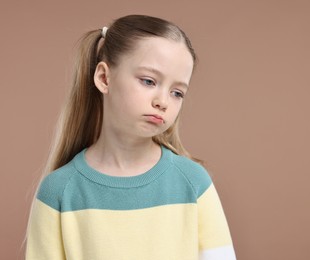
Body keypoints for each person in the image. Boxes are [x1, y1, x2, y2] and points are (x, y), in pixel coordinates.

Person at [25, 14, 236, 260]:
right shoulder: (58, 192)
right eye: (148, 81)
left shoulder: (193, 183)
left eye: (177, 92)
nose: (163, 101)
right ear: (104, 78)